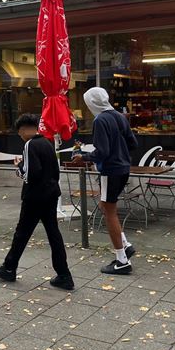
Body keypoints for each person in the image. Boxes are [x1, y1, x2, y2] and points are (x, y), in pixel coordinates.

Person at [0, 114, 74, 290]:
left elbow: (30, 174)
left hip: (35, 197)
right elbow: (53, 170)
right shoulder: (47, 143)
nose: (19, 135)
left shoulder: (30, 144)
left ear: (23, 129)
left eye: (19, 132)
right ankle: (64, 274)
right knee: (53, 234)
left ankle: (9, 268)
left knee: (21, 233)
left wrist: (19, 167)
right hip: (51, 194)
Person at [72, 87, 137, 275]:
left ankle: (122, 260)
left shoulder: (100, 120)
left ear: (91, 103)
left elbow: (102, 151)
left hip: (110, 170)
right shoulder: (120, 117)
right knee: (105, 206)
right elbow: (133, 144)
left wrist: (84, 157)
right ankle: (125, 245)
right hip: (123, 167)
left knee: (109, 212)